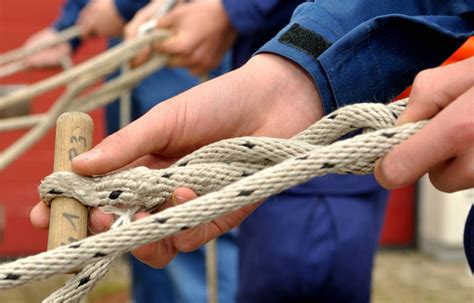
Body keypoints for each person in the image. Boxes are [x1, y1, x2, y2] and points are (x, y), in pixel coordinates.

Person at [31, 0, 473, 301]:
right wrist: (299, 71)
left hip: (321, 156)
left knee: (290, 272)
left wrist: (233, 7)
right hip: (301, 84)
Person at [23, 1, 237, 302]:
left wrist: (122, 7)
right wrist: (68, 27)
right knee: (134, 219)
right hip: (134, 45)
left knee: (187, 209)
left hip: (176, 36)